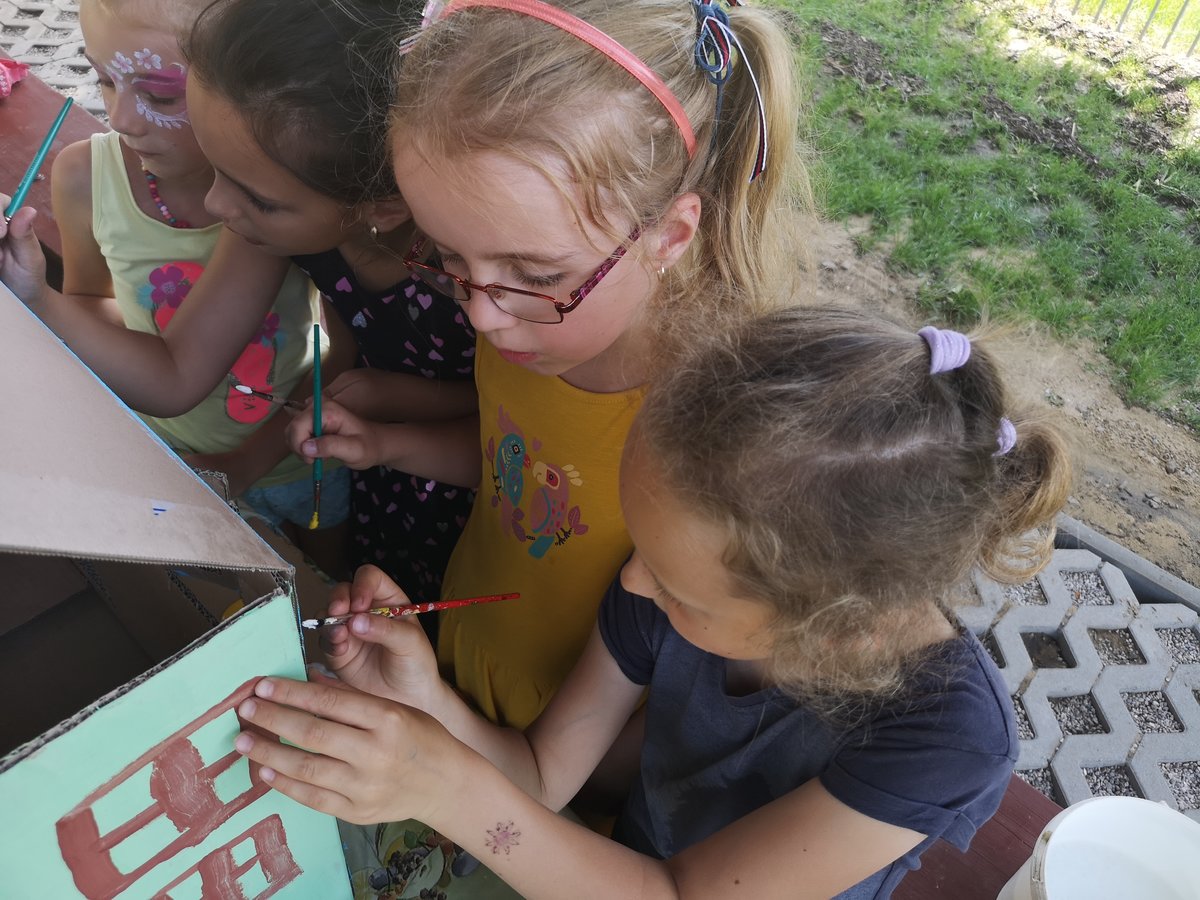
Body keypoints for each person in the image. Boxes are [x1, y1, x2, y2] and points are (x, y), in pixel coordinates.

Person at [233, 306, 1074, 899]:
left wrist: (444, 788)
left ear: (830, 627)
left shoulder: (947, 736)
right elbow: (542, 778)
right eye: (645, 556)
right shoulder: (673, 578)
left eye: (672, 587)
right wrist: (427, 702)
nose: (632, 585)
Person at [291, 0, 814, 732]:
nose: (479, 315)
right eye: (448, 255)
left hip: (574, 729)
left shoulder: (706, 422)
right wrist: (388, 445)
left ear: (668, 236)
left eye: (534, 274)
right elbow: (519, 466)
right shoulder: (525, 320)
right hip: (466, 647)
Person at [0, 0, 353, 571]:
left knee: (325, 577)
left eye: (161, 96)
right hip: (170, 455)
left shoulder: (263, 203)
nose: (121, 118)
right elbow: (94, 300)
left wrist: (37, 296)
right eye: (103, 79)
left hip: (294, 455)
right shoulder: (84, 175)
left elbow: (184, 376)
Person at [182, 0, 478, 606]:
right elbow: (346, 346)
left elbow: (515, 418)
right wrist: (244, 462)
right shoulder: (323, 237)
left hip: (475, 487)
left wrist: (395, 396)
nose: (215, 205)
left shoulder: (472, 275)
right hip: (379, 474)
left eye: (260, 200)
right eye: (212, 167)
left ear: (383, 207)